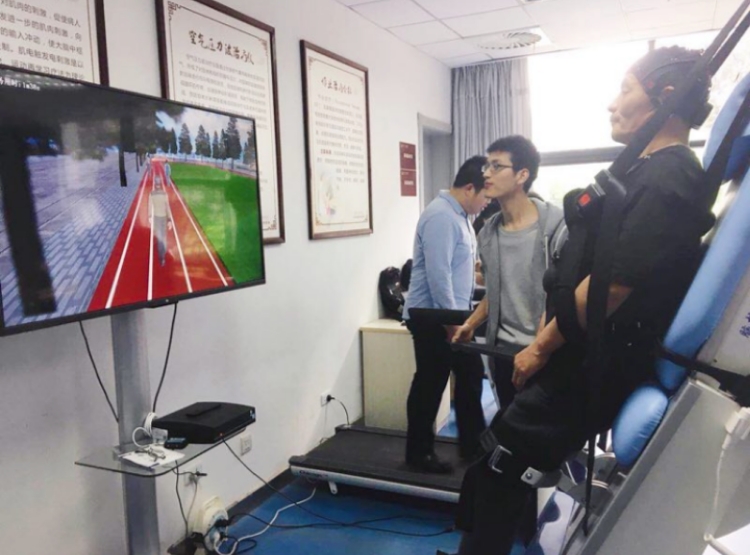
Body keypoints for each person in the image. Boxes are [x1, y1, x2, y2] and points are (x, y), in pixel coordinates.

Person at [453, 46, 719, 555]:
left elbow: (612, 286)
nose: (613, 104)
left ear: (665, 96)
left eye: (625, 89)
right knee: (495, 467)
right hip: (577, 354)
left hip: (586, 363)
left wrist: (541, 347)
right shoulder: (648, 169)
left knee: (500, 468)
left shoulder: (673, 176)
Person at [453, 136, 565, 412]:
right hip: (502, 353)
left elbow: (563, 297)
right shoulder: (488, 233)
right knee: (508, 424)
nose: (486, 174)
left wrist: (539, 349)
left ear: (522, 175)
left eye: (496, 166)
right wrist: (471, 324)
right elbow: (495, 292)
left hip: (545, 353)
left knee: (539, 430)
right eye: (486, 166)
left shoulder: (558, 227)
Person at [403, 155, 490, 474]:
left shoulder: (461, 216)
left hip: (451, 314)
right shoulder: (441, 216)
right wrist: (453, 324)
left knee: (470, 375)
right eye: (485, 196)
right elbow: (439, 275)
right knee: (430, 383)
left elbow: (457, 267)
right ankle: (419, 454)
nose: (486, 203)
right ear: (469, 188)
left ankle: (472, 444)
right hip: (431, 317)